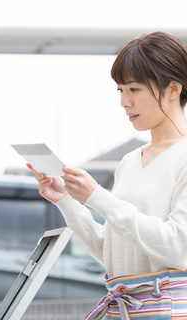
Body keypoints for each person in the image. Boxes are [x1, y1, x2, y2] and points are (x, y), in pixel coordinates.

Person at [27, 31, 187, 319]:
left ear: (173, 89)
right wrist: (67, 201)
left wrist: (98, 197)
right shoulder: (129, 161)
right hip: (126, 311)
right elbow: (113, 252)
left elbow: (179, 248)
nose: (124, 102)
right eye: (120, 90)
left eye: (134, 90)